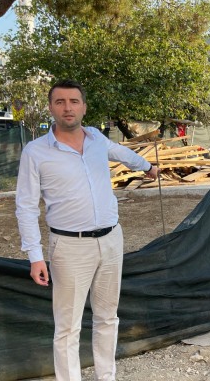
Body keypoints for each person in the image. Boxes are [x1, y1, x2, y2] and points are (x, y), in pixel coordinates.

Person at [16, 80, 160, 381]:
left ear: (84, 106)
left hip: (110, 239)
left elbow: (122, 152)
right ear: (51, 107)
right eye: (60, 102)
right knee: (68, 326)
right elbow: (26, 206)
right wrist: (35, 256)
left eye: (74, 101)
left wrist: (146, 166)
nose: (67, 107)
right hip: (69, 247)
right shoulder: (36, 152)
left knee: (108, 317)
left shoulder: (95, 137)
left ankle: (106, 377)